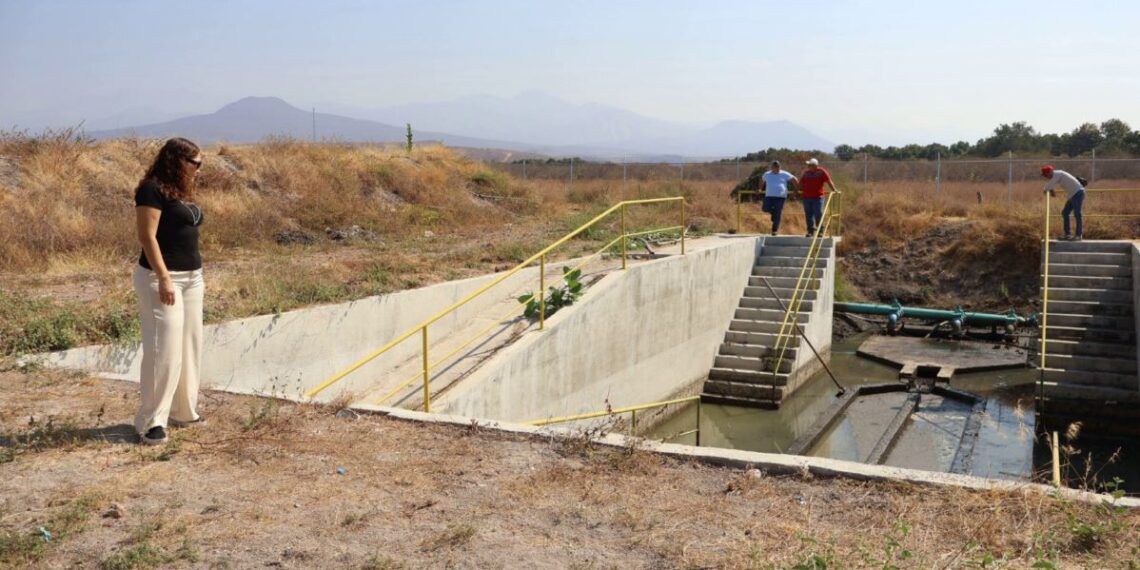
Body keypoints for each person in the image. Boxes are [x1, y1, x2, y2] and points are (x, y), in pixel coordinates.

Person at [133, 138, 207, 445]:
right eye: (195, 163)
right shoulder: (152, 189)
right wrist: (163, 277)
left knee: (190, 345)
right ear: (177, 160)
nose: (199, 170)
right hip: (162, 278)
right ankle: (151, 420)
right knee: (163, 349)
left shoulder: (182, 190)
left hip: (192, 278)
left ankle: (183, 410)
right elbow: (146, 237)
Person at [1041, 165, 1085, 240]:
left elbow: (1048, 186)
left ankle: (1078, 235)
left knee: (1077, 214)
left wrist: (1046, 190)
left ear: (1050, 172)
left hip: (1077, 193)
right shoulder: (1056, 176)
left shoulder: (1058, 174)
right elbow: (1051, 184)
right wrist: (1051, 190)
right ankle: (1067, 234)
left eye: (1046, 174)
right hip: (1072, 195)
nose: (1045, 177)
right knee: (1065, 213)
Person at [798, 158, 838, 237]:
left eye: (809, 165)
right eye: (808, 165)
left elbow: (829, 181)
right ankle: (810, 231)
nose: (808, 166)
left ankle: (820, 231)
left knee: (818, 213)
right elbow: (801, 183)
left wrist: (834, 190)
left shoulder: (822, 172)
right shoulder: (806, 173)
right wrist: (797, 191)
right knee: (808, 215)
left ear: (815, 166)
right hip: (806, 197)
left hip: (818, 197)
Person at [759, 160, 797, 235]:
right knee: (765, 208)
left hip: (780, 196)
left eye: (777, 166)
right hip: (769, 195)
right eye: (774, 166)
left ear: (779, 167)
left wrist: (796, 190)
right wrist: (760, 188)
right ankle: (773, 213)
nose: (776, 168)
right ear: (772, 167)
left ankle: (774, 230)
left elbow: (794, 179)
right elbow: (762, 180)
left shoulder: (784, 174)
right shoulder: (767, 174)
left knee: (778, 213)